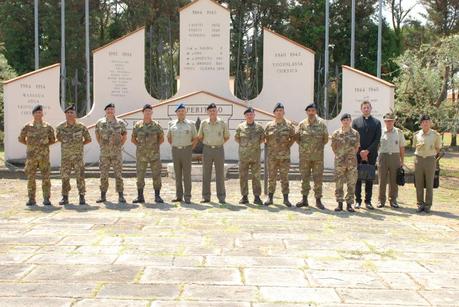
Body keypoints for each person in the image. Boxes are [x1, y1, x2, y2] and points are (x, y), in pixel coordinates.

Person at [18, 104, 56, 206]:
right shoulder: (27, 127)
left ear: (42, 114)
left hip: (44, 157)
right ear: (33, 114)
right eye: (36, 112)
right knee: (31, 178)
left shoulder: (48, 127)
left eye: (40, 112)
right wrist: (31, 145)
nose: (38, 114)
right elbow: (21, 139)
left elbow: (52, 140)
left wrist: (43, 146)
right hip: (32, 157)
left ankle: (46, 198)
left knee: (46, 178)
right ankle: (31, 199)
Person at [55, 104, 92, 206]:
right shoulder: (60, 127)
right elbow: (58, 138)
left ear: (75, 114)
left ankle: (82, 197)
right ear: (65, 114)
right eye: (68, 112)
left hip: (78, 157)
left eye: (72, 112)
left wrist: (79, 145)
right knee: (65, 177)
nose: (70, 114)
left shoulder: (81, 127)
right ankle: (65, 197)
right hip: (66, 158)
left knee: (80, 177)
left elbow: (88, 139)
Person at [295, 103, 329, 209]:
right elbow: (297, 138)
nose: (311, 113)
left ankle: (318, 200)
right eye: (309, 111)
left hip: (317, 157)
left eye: (313, 111)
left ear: (316, 112)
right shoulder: (301, 124)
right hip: (304, 157)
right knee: (304, 178)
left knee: (318, 178)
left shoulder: (322, 124)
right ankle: (304, 199)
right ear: (306, 112)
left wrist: (316, 148)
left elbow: (325, 139)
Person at [264, 102, 296, 207]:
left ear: (284, 112)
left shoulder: (289, 125)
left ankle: (286, 199)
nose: (279, 112)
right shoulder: (269, 126)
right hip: (272, 157)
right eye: (277, 111)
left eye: (281, 110)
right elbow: (265, 139)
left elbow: (293, 137)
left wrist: (286, 146)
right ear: (274, 113)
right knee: (271, 177)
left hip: (284, 157)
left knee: (284, 178)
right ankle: (270, 197)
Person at [132, 104, 165, 203]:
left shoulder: (157, 125)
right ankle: (140, 196)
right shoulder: (138, 125)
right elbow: (133, 139)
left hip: (154, 155)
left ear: (152, 113)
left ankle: (157, 196)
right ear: (143, 112)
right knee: (140, 176)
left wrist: (155, 146)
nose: (148, 113)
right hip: (141, 155)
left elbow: (161, 138)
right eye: (146, 111)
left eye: (149, 111)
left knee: (156, 175)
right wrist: (140, 146)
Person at [198, 103, 230, 204]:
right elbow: (200, 136)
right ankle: (206, 196)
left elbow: (226, 137)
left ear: (217, 111)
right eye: (210, 111)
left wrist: (218, 144)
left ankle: (221, 197)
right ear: (208, 112)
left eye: (214, 110)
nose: (212, 112)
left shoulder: (222, 123)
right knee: (206, 173)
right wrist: (209, 144)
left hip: (219, 150)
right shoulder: (203, 123)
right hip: (207, 150)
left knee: (220, 174)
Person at [95, 103, 127, 203]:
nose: (110, 111)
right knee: (103, 174)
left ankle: (121, 196)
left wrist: (119, 145)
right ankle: (103, 196)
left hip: (116, 153)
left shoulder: (120, 122)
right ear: (105, 111)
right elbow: (97, 134)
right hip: (104, 153)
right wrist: (101, 144)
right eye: (108, 109)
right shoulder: (100, 122)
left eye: (112, 109)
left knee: (118, 174)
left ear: (114, 111)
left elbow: (124, 135)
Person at [352, 100, 381, 209]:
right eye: (364, 107)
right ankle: (358, 201)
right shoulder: (355, 122)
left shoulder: (377, 123)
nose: (366, 109)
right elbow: (354, 138)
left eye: (368, 107)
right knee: (358, 178)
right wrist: (360, 151)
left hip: (371, 154)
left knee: (369, 178)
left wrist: (367, 151)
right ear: (361, 109)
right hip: (358, 154)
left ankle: (368, 201)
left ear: (371, 108)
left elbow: (377, 139)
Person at [167, 103, 198, 204]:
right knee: (177, 174)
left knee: (187, 174)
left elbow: (195, 138)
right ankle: (178, 196)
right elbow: (169, 137)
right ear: (176, 113)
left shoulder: (191, 124)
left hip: (186, 150)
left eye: (183, 111)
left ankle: (187, 196)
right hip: (175, 151)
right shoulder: (171, 124)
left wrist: (189, 148)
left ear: (185, 112)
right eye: (179, 111)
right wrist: (175, 145)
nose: (181, 113)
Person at [234, 107, 265, 205]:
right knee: (243, 176)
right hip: (243, 157)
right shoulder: (240, 127)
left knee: (256, 176)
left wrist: (253, 146)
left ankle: (257, 197)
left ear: (254, 115)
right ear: (245, 116)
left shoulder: (259, 128)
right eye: (247, 115)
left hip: (255, 156)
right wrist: (245, 146)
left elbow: (262, 139)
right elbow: (237, 138)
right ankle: (244, 196)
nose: (249, 116)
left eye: (251, 114)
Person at [331, 113, 360, 212]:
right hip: (340, 162)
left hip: (351, 163)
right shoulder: (336, 133)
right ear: (341, 121)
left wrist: (350, 156)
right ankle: (339, 203)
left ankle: (349, 204)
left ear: (350, 121)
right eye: (344, 120)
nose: (346, 121)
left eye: (348, 120)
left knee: (351, 183)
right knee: (339, 183)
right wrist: (340, 155)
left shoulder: (355, 133)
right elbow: (333, 147)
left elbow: (356, 147)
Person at [413, 115, 442, 213]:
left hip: (430, 160)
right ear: (420, 124)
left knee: (429, 183)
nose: (425, 124)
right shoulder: (416, 134)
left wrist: (432, 154)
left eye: (427, 122)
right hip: (418, 160)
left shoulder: (435, 135)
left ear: (430, 123)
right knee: (419, 183)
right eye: (423, 122)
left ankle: (428, 205)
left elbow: (438, 149)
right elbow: (414, 146)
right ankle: (420, 204)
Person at [377, 113, 406, 209]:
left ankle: (393, 200)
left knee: (394, 180)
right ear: (384, 121)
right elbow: (377, 146)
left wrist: (402, 160)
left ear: (394, 121)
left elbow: (401, 147)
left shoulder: (399, 132)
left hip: (395, 157)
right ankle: (381, 200)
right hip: (383, 157)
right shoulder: (380, 132)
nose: (389, 122)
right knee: (382, 180)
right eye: (387, 121)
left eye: (390, 121)